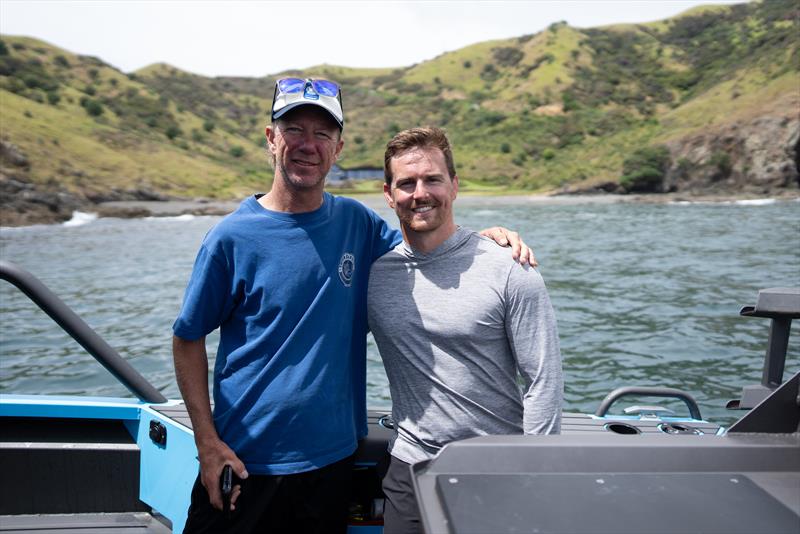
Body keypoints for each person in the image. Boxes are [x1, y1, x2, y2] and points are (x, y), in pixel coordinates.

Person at [172, 79, 536, 533]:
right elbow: (187, 339)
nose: (308, 145)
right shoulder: (230, 238)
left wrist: (484, 241)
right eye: (295, 130)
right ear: (271, 139)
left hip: (332, 464)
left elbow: (424, 244)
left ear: (338, 147)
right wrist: (207, 444)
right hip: (247, 463)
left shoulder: (357, 223)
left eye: (322, 134)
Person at [368, 126, 563, 534]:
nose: (420, 193)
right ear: (389, 194)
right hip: (410, 467)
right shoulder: (376, 275)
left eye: (433, 179)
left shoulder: (509, 268)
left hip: (495, 465)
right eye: (406, 183)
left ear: (454, 186)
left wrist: (536, 470)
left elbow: (543, 380)